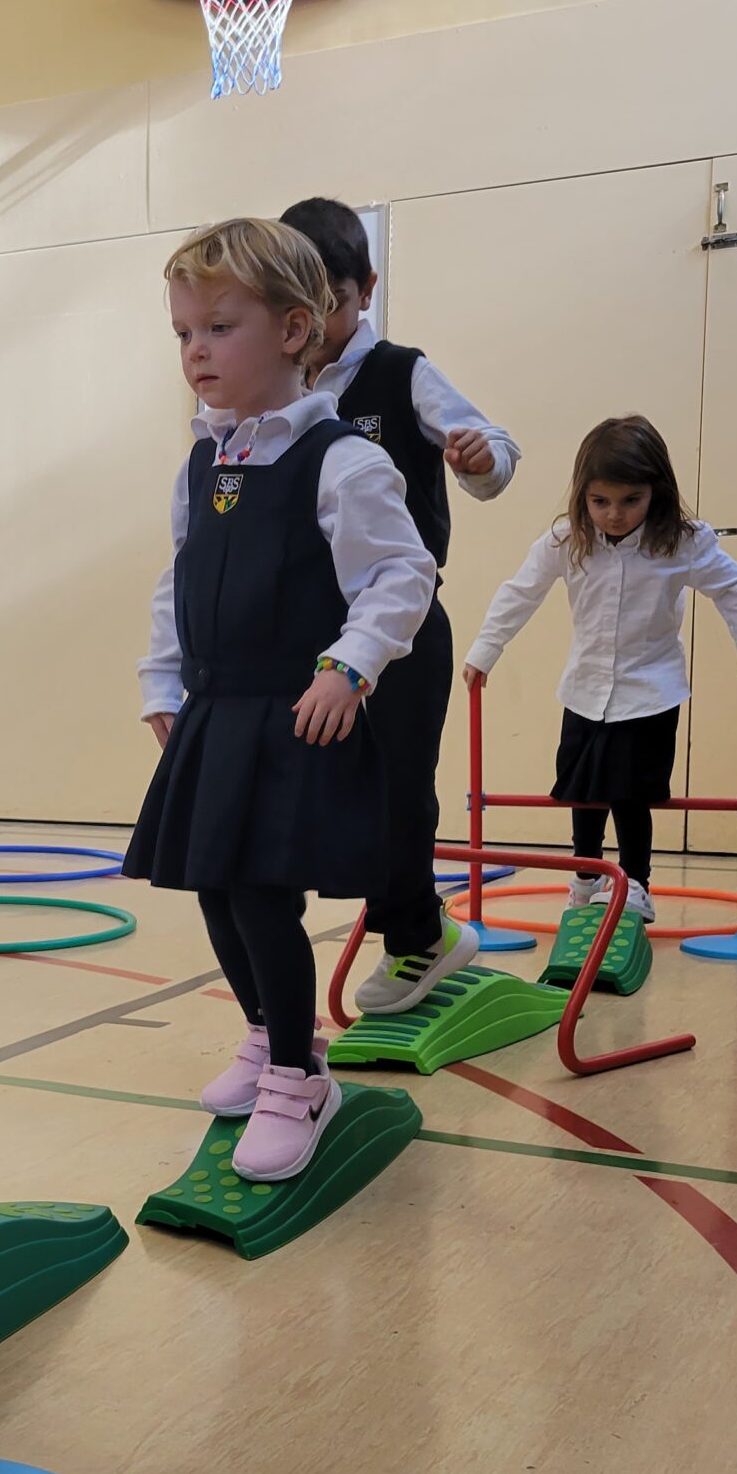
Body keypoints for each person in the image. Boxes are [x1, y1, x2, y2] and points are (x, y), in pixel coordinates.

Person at [130, 217, 441, 1183]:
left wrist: (348, 667)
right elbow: (179, 578)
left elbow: (403, 575)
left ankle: (303, 1077)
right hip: (217, 711)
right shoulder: (206, 460)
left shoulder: (342, 460)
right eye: (183, 332)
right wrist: (161, 676)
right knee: (215, 887)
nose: (195, 351)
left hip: (289, 713)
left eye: (220, 329)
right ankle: (268, 1035)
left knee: (261, 894)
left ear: (299, 329)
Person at [281, 196, 521, 1014]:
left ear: (366, 289)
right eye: (302, 312)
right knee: (330, 789)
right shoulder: (280, 388)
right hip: (317, 637)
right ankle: (402, 921)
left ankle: (422, 937)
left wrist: (480, 460)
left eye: (335, 305)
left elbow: (492, 451)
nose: (319, 327)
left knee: (397, 789)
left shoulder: (401, 372)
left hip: (403, 627)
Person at [462, 414, 737, 922]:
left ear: (657, 493)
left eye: (632, 501)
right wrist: (483, 652)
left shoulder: (682, 541)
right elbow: (520, 593)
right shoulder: (567, 540)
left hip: (649, 692)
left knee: (630, 794)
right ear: (582, 496)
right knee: (583, 792)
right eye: (600, 502)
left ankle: (635, 885)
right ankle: (586, 877)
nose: (615, 515)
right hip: (584, 690)